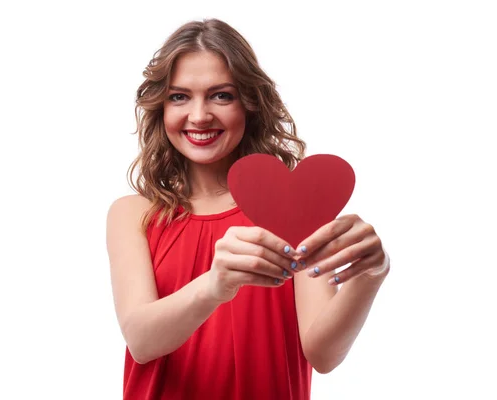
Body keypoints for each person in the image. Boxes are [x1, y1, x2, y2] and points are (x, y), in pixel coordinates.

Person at [106, 18, 390, 400]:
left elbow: (323, 354)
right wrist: (216, 283)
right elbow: (141, 339)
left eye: (221, 95)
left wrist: (371, 275)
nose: (199, 115)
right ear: (160, 107)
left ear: (250, 103)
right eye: (179, 97)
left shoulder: (293, 206)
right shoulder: (134, 214)